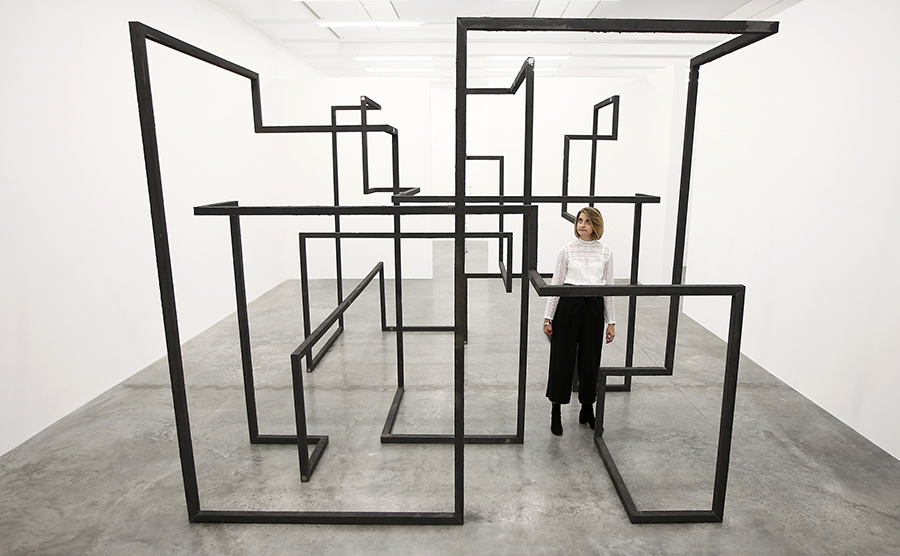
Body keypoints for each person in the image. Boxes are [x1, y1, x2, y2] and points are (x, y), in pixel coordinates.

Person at [543, 207, 615, 436]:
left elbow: (609, 290)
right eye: (579, 220)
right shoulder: (567, 251)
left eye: (587, 221)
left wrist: (611, 321)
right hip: (568, 307)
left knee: (590, 361)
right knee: (561, 360)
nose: (581, 224)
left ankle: (587, 408)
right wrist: (548, 317)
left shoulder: (606, 253)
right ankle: (556, 411)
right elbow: (556, 284)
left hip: (593, 309)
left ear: (596, 225)